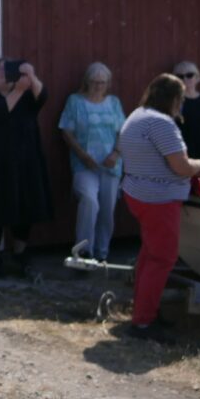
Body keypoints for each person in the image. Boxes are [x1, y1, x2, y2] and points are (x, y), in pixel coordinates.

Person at [118, 73, 200, 343]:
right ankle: (143, 323)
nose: (181, 104)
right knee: (162, 259)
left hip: (138, 194)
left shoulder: (138, 115)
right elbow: (180, 167)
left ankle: (145, 312)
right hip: (158, 199)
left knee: (149, 256)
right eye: (180, 99)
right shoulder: (162, 124)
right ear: (174, 99)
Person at [0, 58, 53, 272]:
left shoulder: (25, 97)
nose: (2, 73)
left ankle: (20, 252)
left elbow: (42, 98)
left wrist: (31, 77)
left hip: (23, 163)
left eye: (6, 69)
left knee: (25, 207)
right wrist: (17, 91)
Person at [58, 62, 126, 261]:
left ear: (108, 84)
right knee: (89, 201)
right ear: (87, 81)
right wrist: (82, 155)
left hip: (110, 165)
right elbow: (66, 131)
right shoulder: (75, 101)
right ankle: (84, 251)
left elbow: (123, 131)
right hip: (84, 164)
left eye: (102, 82)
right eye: (94, 82)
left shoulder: (113, 103)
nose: (98, 86)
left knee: (107, 211)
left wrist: (115, 153)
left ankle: (102, 253)